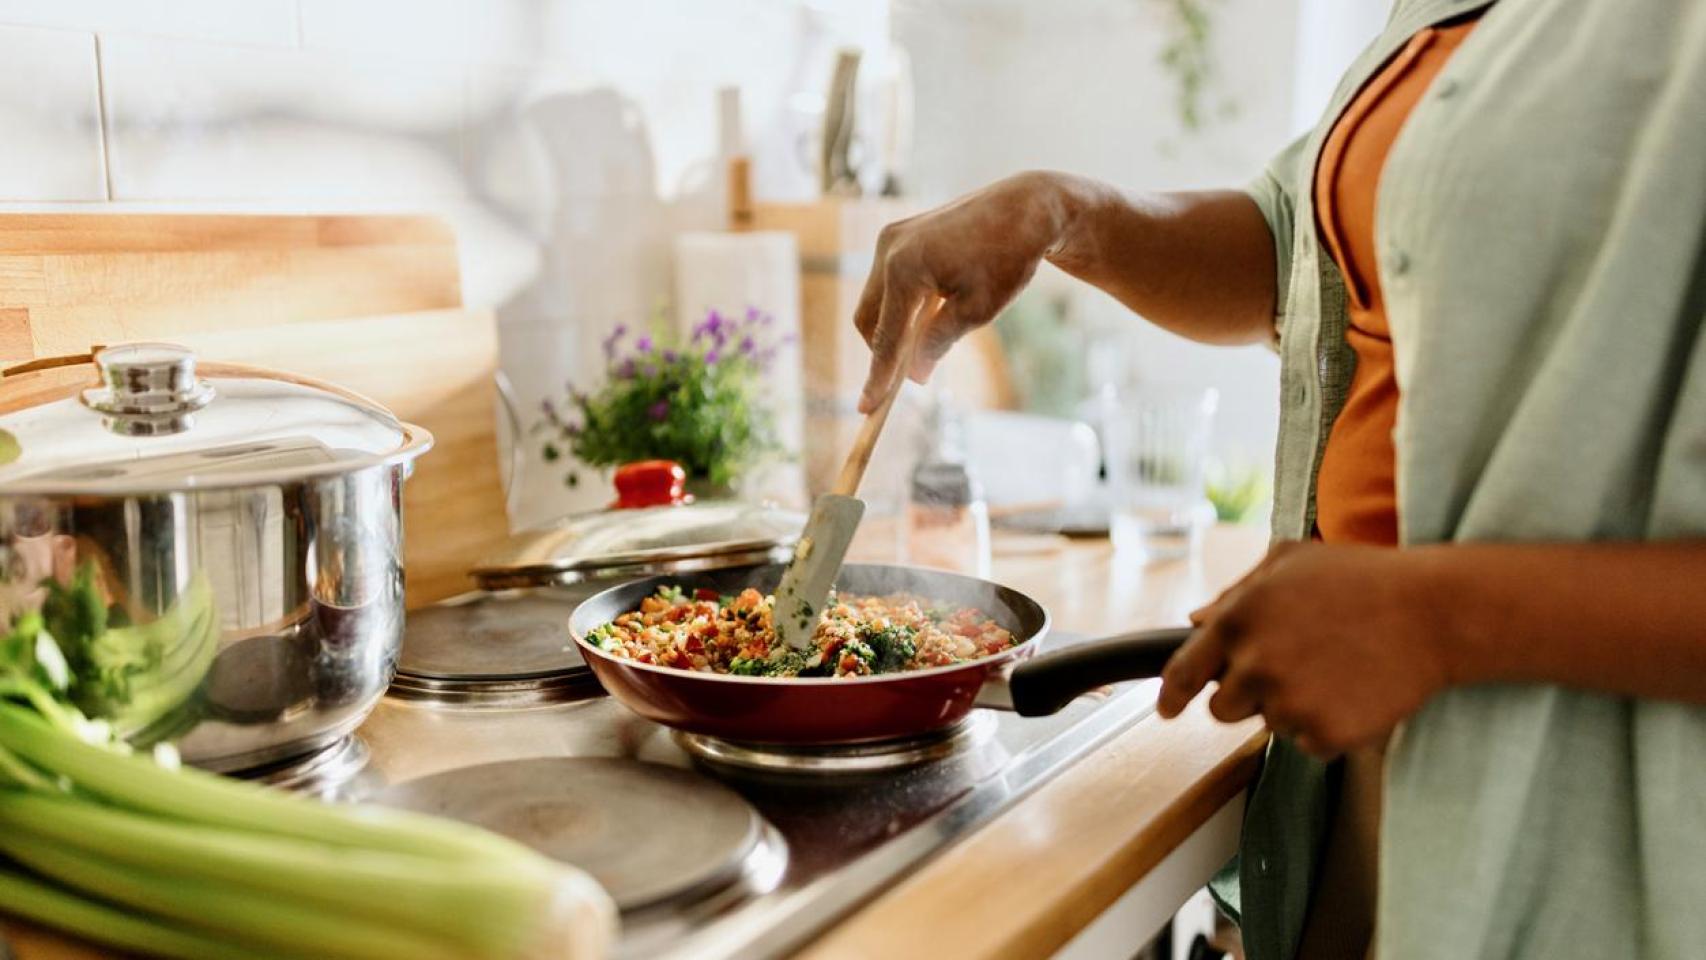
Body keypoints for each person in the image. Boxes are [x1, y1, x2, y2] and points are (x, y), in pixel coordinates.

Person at [851, 1, 1706, 958]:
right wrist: (1062, 211)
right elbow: (1301, 247)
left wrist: (1433, 617)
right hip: (1368, 770)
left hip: (1597, 823)